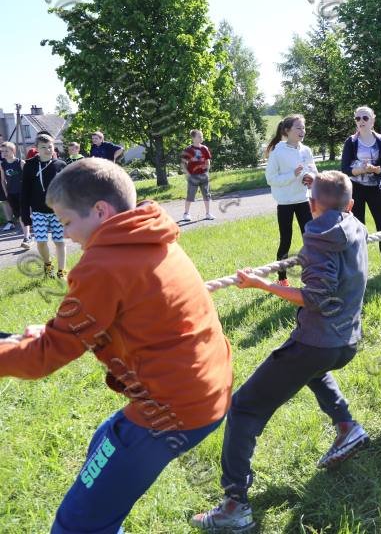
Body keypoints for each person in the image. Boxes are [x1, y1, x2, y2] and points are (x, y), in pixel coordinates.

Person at [0, 158, 233, 533]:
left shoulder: (103, 263)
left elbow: (47, 356)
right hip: (208, 389)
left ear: (100, 211)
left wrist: (45, 340)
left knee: (76, 525)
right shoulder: (150, 234)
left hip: (171, 410)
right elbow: (125, 316)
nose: (67, 235)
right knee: (103, 442)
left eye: (67, 222)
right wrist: (51, 330)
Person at [191, 171, 370, 532]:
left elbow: (315, 297)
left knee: (243, 408)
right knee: (312, 370)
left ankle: (235, 506)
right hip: (346, 342)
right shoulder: (356, 225)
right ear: (350, 205)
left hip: (317, 343)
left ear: (311, 204)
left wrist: (262, 284)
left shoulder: (319, 233)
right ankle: (346, 426)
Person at [340, 106, 381, 275]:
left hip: (375, 189)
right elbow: (344, 169)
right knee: (358, 229)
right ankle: (359, 270)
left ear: (372, 120)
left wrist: (375, 169)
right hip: (356, 190)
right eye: (358, 118)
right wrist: (361, 170)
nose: (361, 121)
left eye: (365, 118)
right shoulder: (351, 142)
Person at [264, 115, 318, 286]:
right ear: (287, 131)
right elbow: (271, 179)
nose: (302, 131)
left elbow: (313, 171)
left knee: (310, 239)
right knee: (285, 241)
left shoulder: (306, 150)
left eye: (304, 127)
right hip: (285, 204)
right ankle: (282, 279)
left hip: (303, 200)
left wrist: (310, 177)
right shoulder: (277, 152)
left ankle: (313, 275)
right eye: (298, 128)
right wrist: (293, 175)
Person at [21, 134, 68, 278]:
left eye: (50, 147)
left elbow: (68, 189)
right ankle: (48, 265)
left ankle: (61, 271)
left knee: (59, 241)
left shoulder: (61, 165)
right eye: (43, 147)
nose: (48, 150)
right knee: (41, 241)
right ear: (36, 149)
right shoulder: (30, 166)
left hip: (57, 211)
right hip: (38, 211)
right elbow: (25, 191)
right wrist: (25, 213)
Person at [181, 129, 214, 222]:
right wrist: (187, 174)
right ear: (193, 138)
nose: (201, 138)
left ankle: (208, 213)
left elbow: (207, 161)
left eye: (202, 136)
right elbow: (183, 163)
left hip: (204, 175)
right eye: (199, 136)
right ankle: (186, 213)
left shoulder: (204, 148)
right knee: (190, 195)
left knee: (206, 195)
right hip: (193, 176)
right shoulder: (188, 149)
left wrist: (206, 171)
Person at [1, 142, 28, 239]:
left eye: (6, 151)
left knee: (23, 214)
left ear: (13, 151)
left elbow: (28, 179)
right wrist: (6, 193)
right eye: (2, 151)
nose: (4, 153)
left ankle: (27, 236)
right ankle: (27, 231)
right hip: (11, 193)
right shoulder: (3, 164)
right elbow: (3, 180)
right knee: (19, 215)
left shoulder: (20, 163)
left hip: (22, 192)